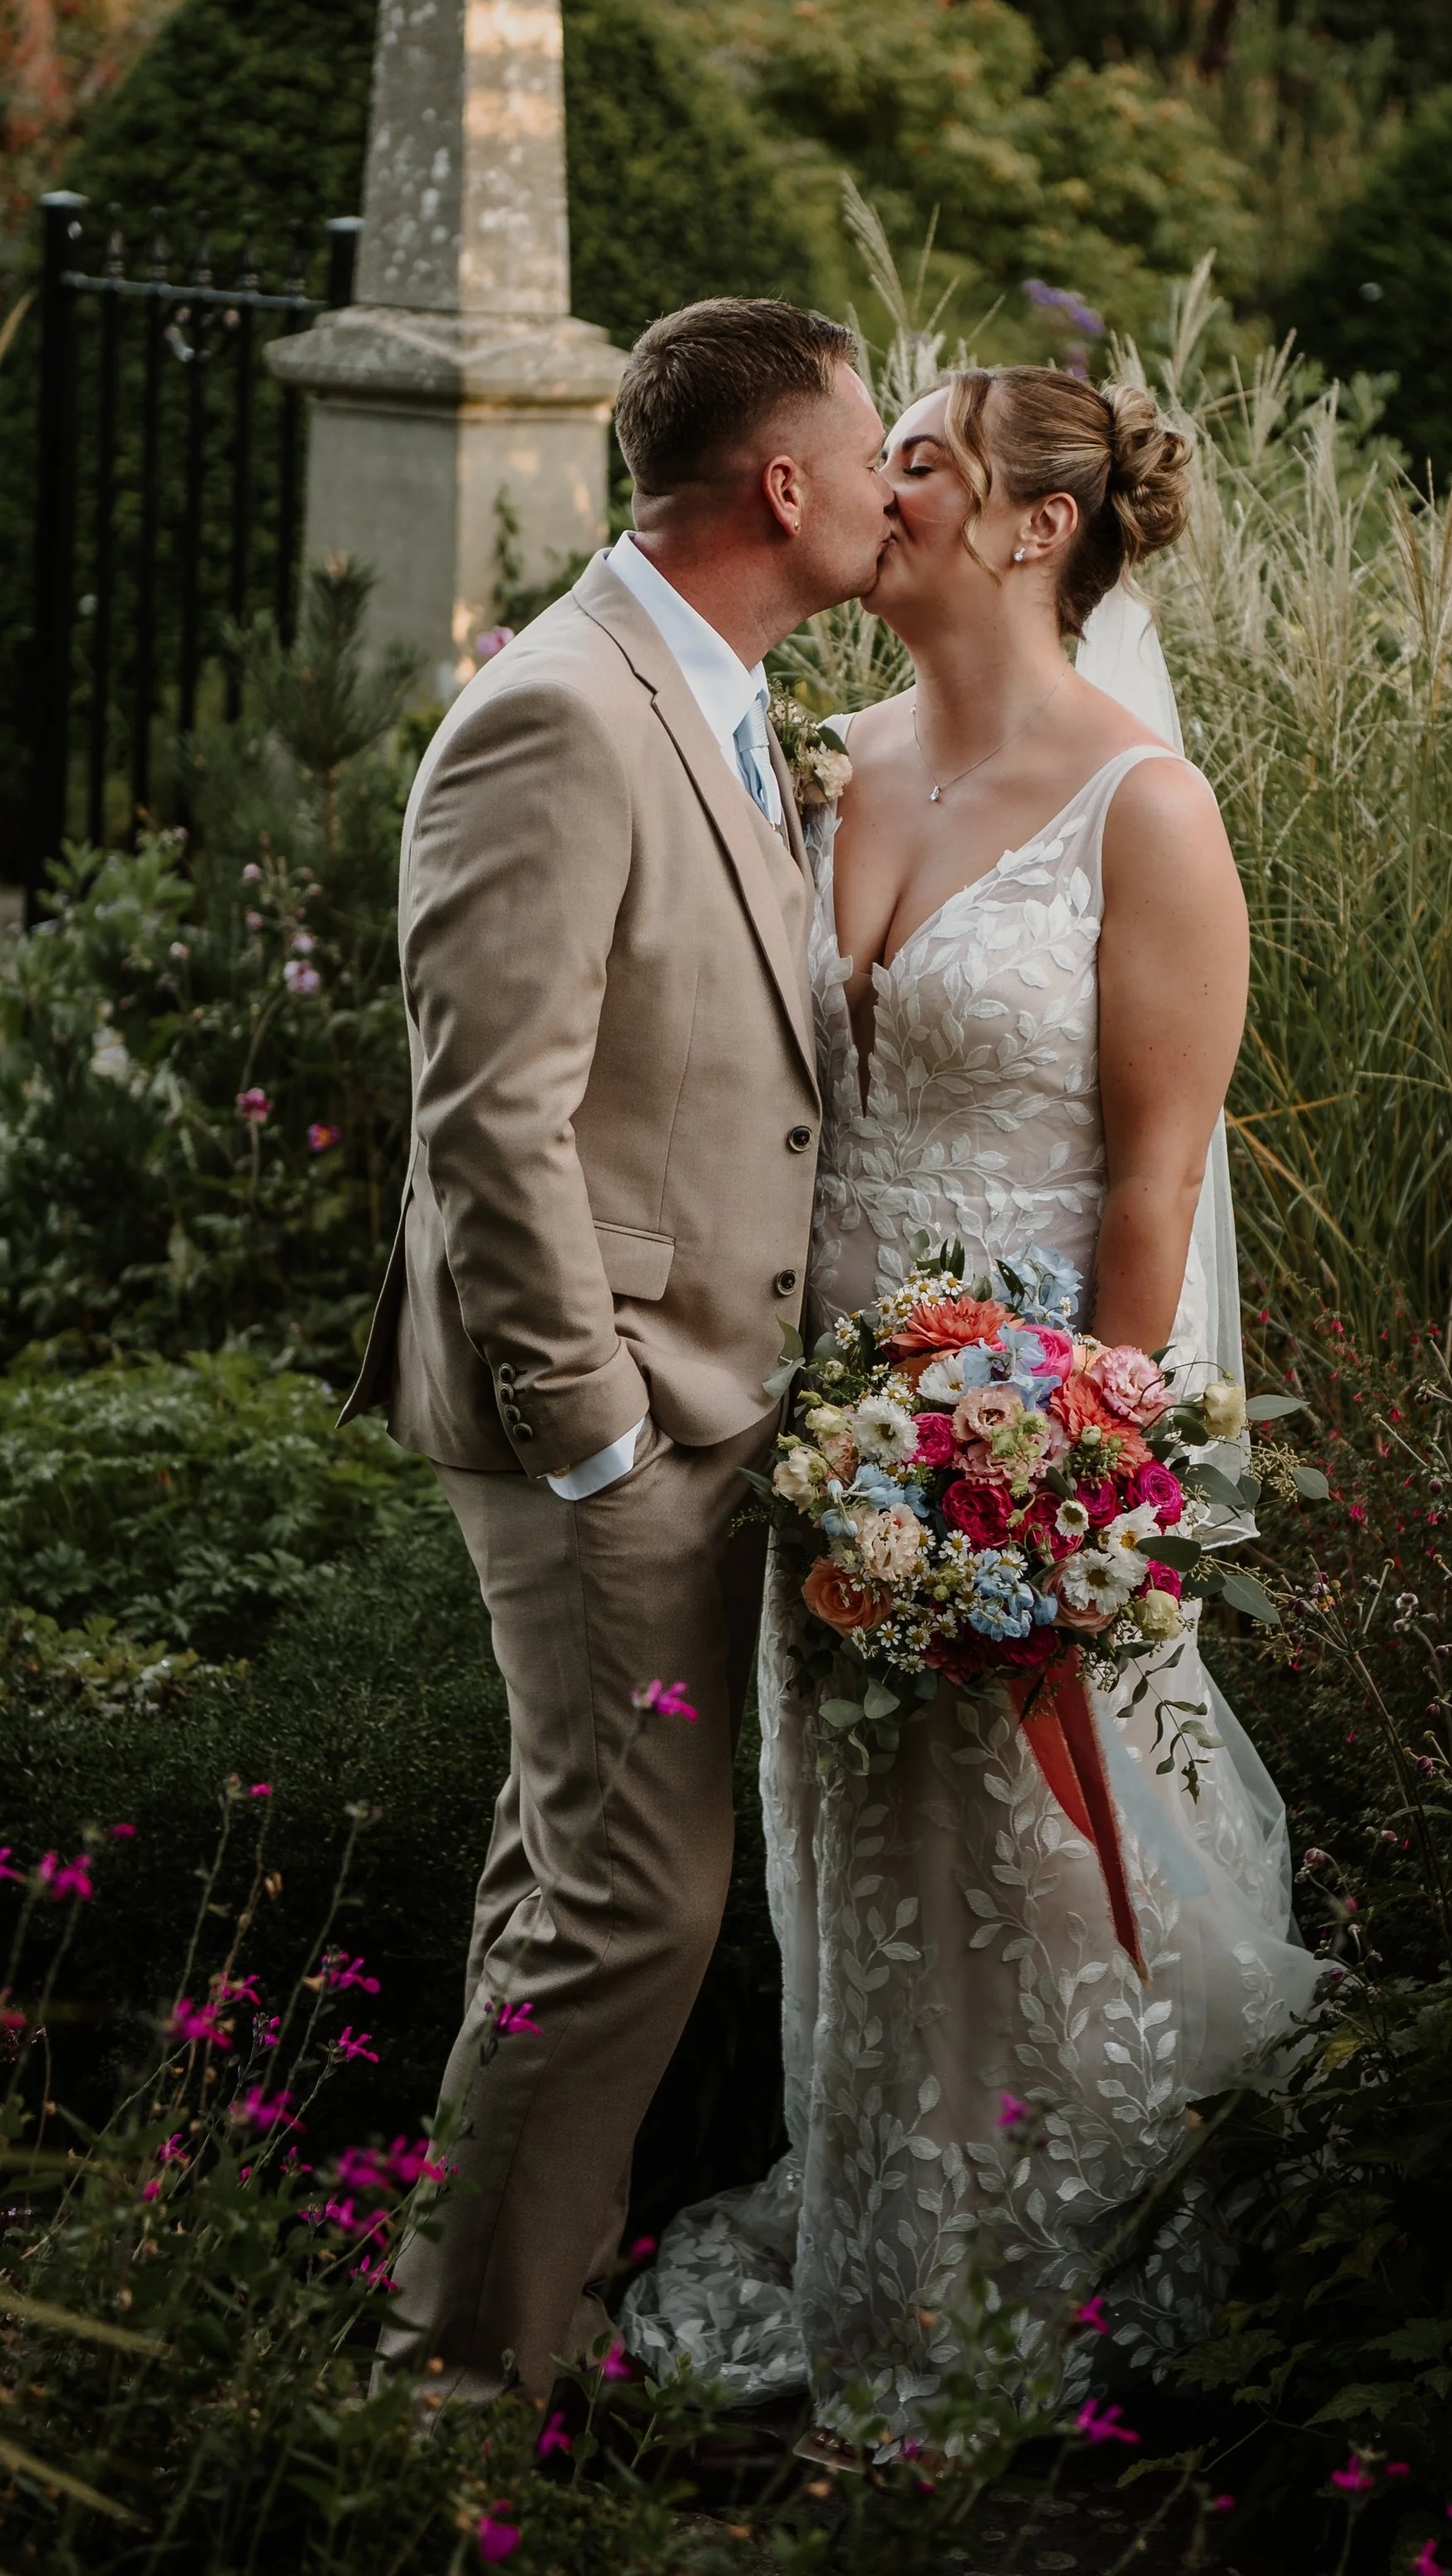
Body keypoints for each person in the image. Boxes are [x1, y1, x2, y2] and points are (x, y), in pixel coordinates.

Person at [623, 364, 1321, 2438]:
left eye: (916, 457)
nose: (875, 488)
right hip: (816, 1429)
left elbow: (1150, 1179)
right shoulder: (824, 766)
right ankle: (879, 2275)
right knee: (858, 1855)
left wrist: (1080, 1482)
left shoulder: (1147, 811)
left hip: (1021, 1436)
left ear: (1034, 528)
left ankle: (1051, 2300)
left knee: (1032, 1863)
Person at [351, 297, 896, 2407]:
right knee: (631, 1912)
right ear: (780, 485)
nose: (884, 488)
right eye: (865, 453)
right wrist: (591, 1434)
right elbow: (488, 1113)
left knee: (569, 1878)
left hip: (700, 1399)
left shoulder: (727, 701)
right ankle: (457, 2407)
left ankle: (493, 2337)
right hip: (606, 1418)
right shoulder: (564, 712)